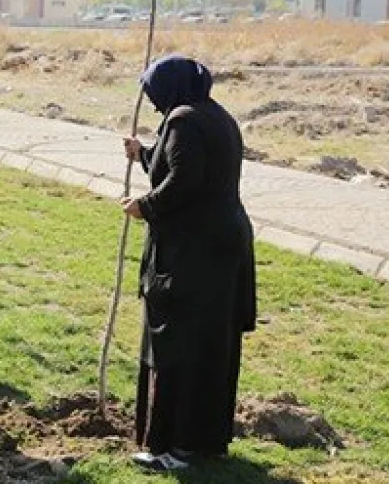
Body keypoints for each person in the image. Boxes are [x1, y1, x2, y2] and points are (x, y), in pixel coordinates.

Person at [120, 55, 257, 471]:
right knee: (212, 345)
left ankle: (175, 447)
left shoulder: (182, 122)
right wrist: (144, 154)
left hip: (192, 254)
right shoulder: (215, 117)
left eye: (153, 91)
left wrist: (145, 206)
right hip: (223, 248)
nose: (152, 99)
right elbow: (189, 167)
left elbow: (183, 181)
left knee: (178, 343)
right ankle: (207, 440)